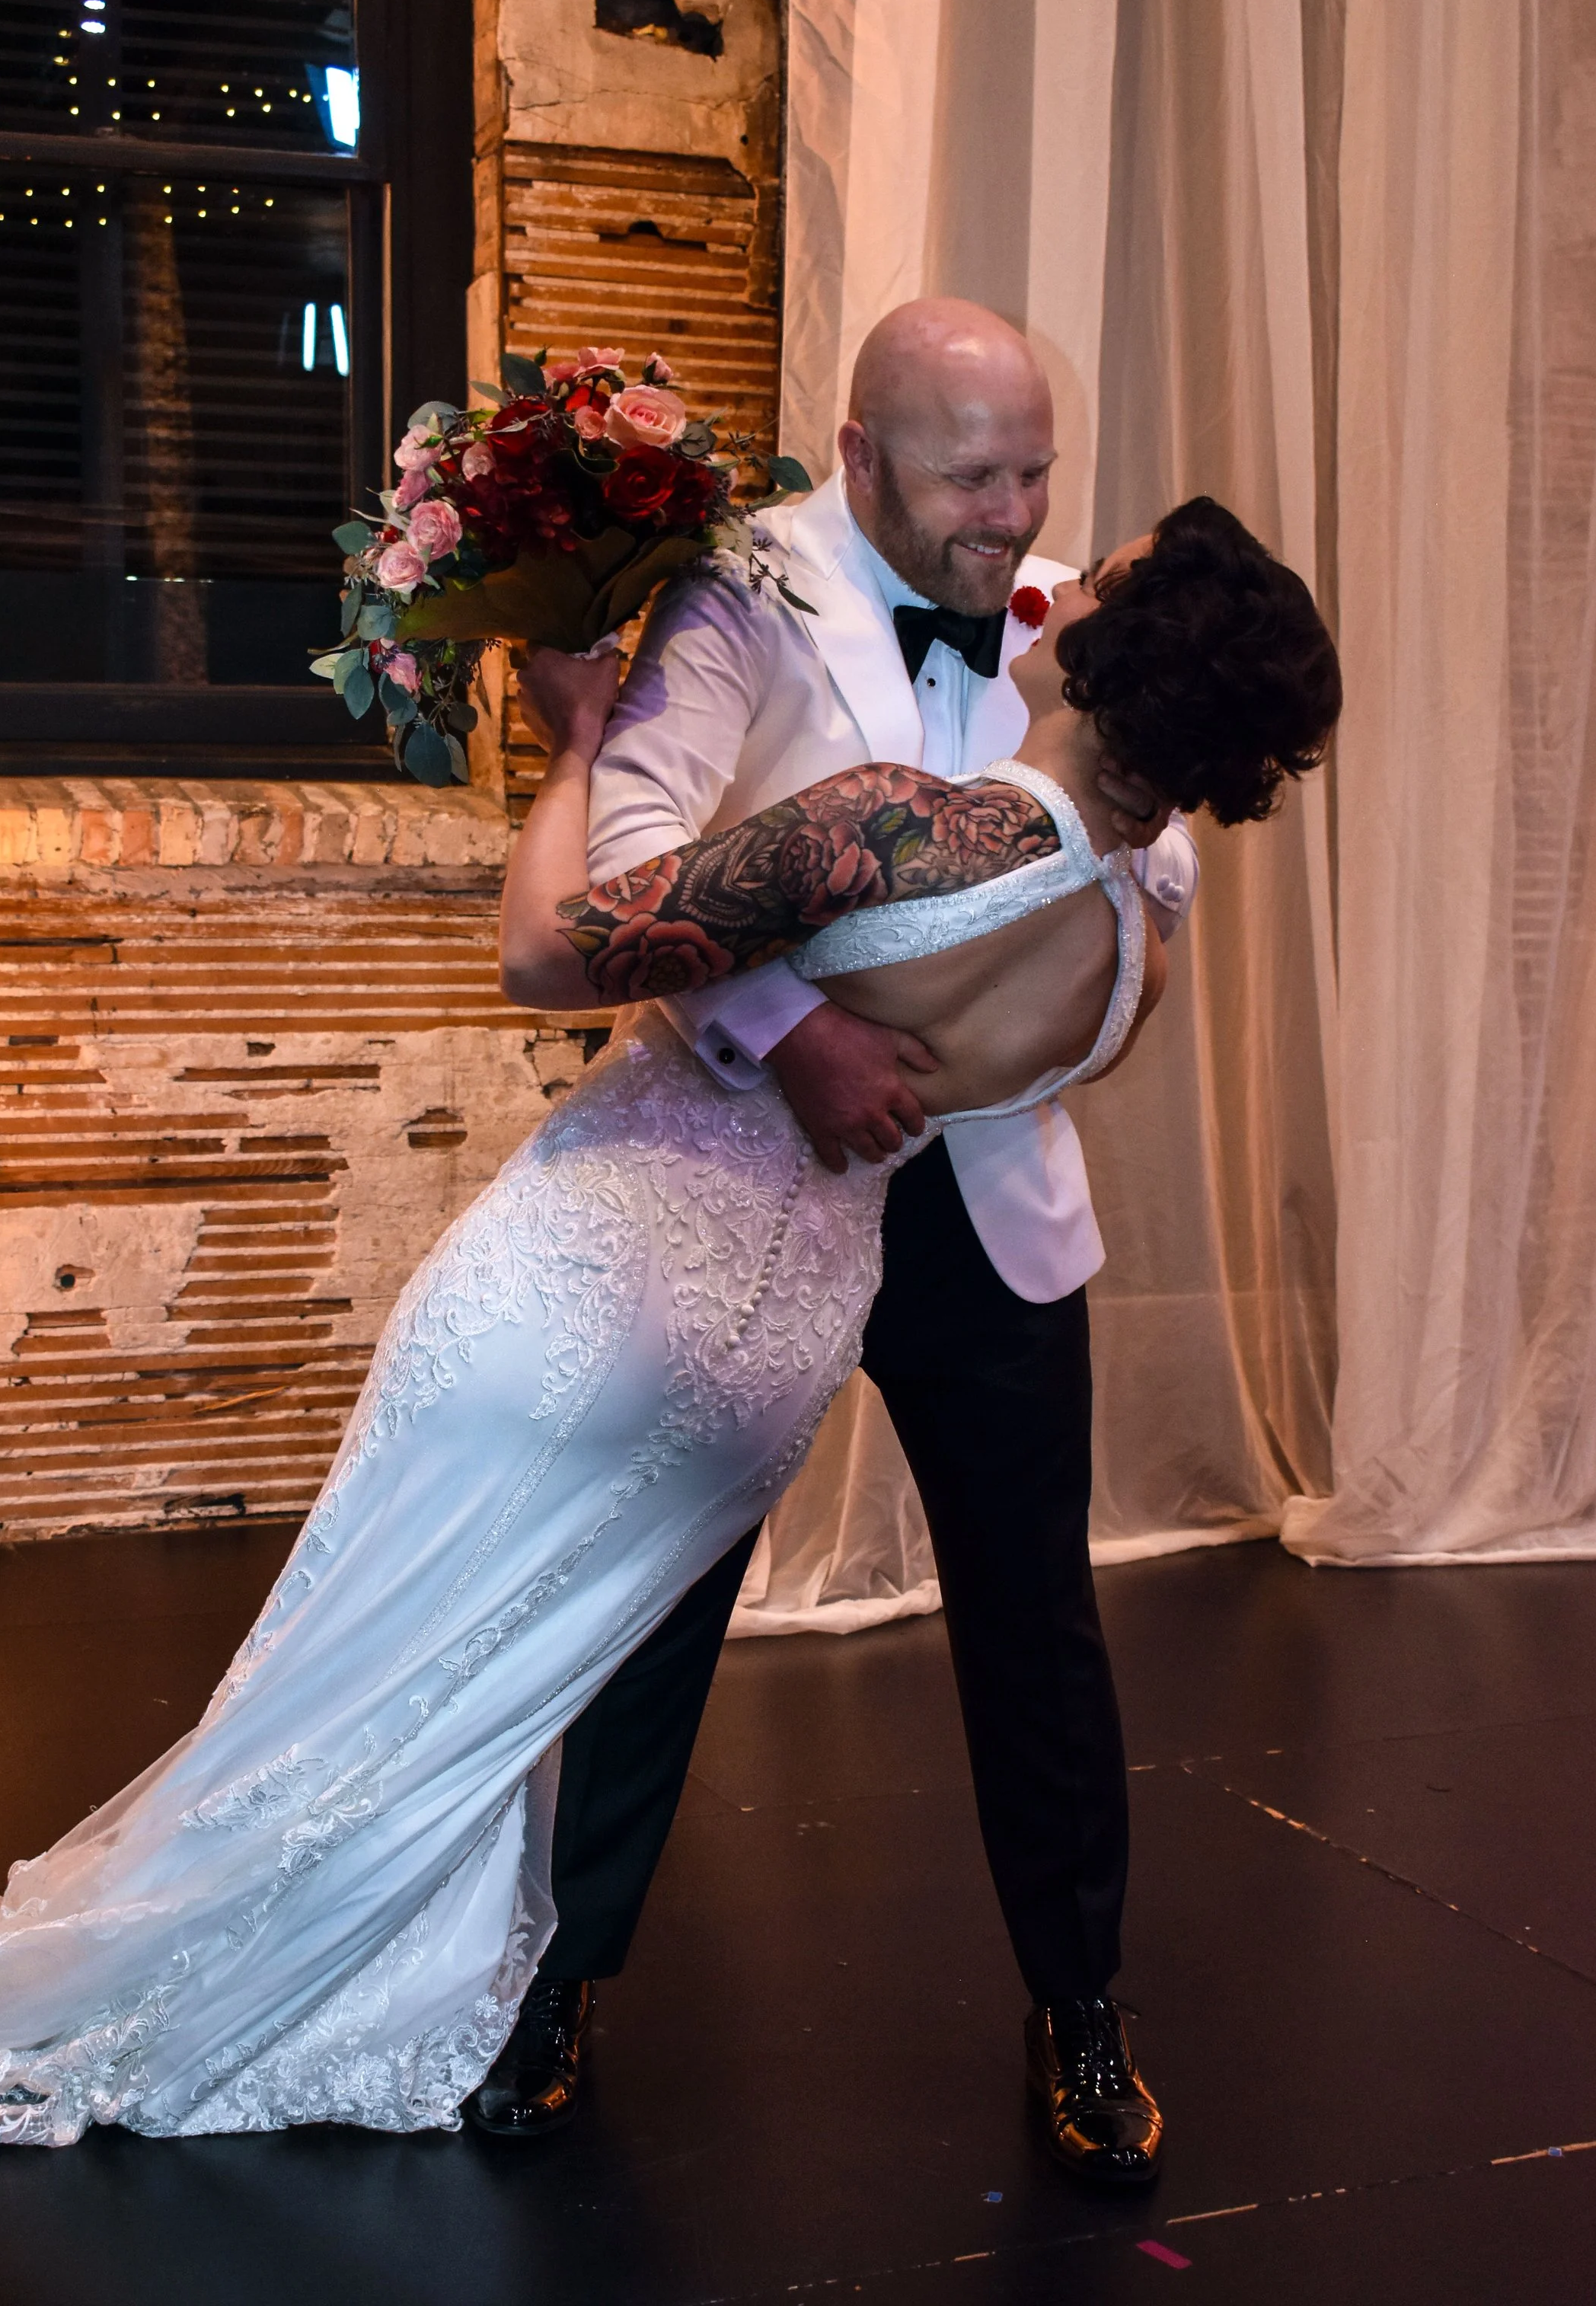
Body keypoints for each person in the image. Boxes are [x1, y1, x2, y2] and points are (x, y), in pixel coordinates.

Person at [0, 489, 1337, 2159]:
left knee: (419, 1621)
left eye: (1085, 580)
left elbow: (546, 948)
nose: (1041, 573)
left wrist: (575, 741)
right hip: (789, 1302)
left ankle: (242, 1935)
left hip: (628, 1267)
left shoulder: (898, 822)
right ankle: (539, 1973)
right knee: (572, 1639)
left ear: (1105, 656)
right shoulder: (1126, 957)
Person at [466, 299, 1212, 2185]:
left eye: (1034, 467)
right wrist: (787, 1037)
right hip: (755, 1182)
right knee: (658, 1597)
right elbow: (629, 854)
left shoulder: (1063, 605)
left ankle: (1080, 1999)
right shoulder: (742, 598)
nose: (1015, 512)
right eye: (973, 475)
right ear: (860, 455)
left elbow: (1162, 856)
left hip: (985, 1200)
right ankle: (560, 1979)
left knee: (1034, 1625)